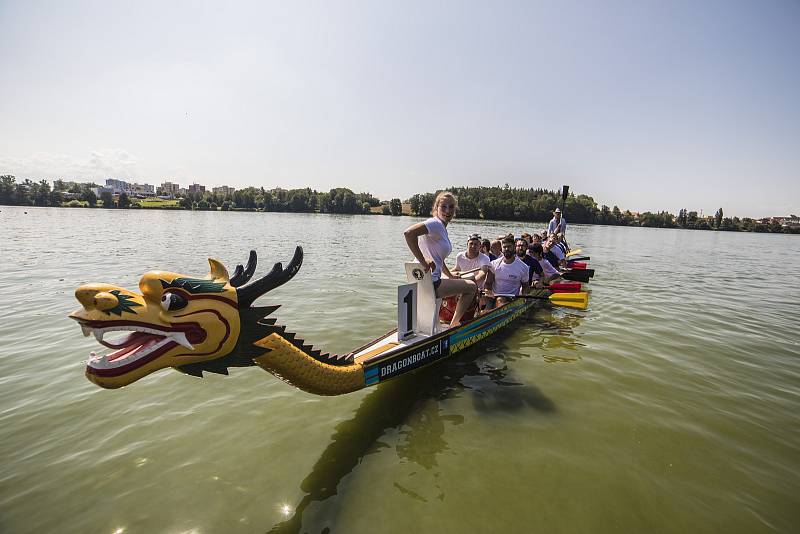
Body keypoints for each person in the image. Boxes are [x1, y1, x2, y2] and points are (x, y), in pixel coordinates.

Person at [404, 192, 476, 327]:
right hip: (431, 281)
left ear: (455, 210)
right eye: (443, 207)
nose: (447, 211)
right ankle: (454, 324)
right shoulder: (435, 224)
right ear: (436, 207)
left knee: (458, 282)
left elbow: (438, 258)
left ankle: (433, 322)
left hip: (420, 278)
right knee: (471, 287)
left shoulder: (440, 227)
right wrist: (423, 261)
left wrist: (450, 275)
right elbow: (409, 234)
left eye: (451, 207)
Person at [484, 236, 531, 309]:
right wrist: (487, 291)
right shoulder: (493, 264)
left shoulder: (523, 267)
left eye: (509, 247)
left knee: (501, 300)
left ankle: (487, 313)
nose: (506, 249)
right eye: (504, 247)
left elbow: (525, 286)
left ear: (514, 247)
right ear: (501, 249)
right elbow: (488, 283)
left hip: (512, 299)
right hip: (494, 296)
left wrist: (524, 300)